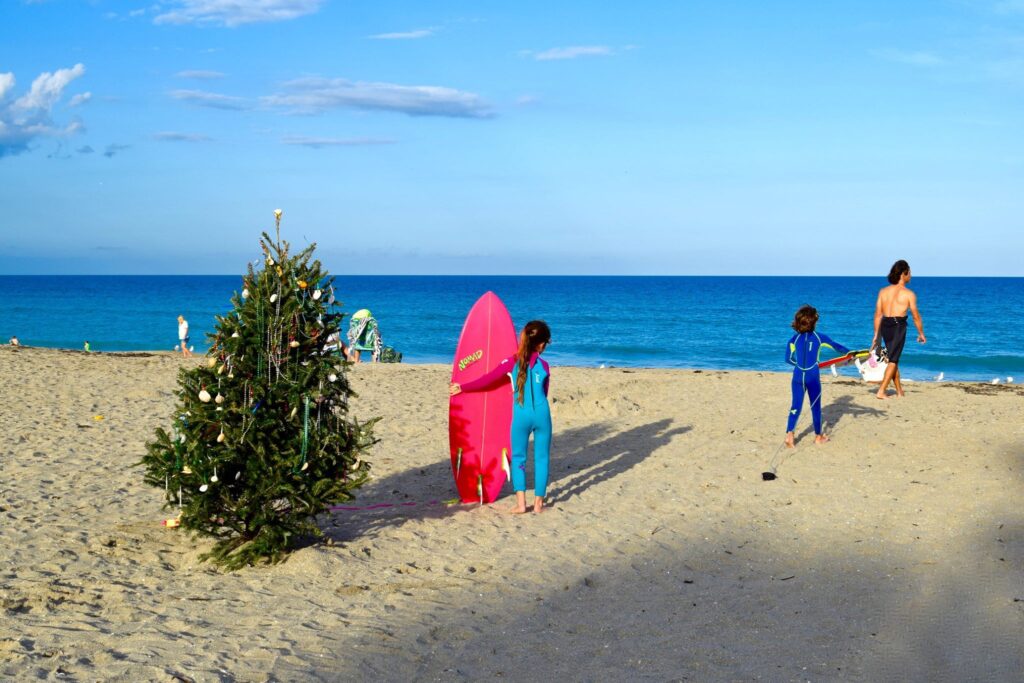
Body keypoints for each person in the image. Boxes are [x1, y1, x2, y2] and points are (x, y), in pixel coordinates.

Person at [450, 320, 553, 513]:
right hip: (542, 415)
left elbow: (488, 379)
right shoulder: (545, 366)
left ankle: (521, 504)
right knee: (542, 459)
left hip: (521, 416)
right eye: (546, 343)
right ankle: (539, 505)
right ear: (540, 344)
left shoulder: (510, 362)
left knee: (519, 457)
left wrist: (462, 387)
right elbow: (544, 392)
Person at [785, 305, 849, 448]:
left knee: (795, 406)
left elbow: (788, 359)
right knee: (815, 407)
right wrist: (851, 353)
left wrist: (800, 365)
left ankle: (790, 435)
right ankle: (818, 437)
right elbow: (837, 347)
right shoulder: (820, 338)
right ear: (814, 321)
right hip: (812, 376)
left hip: (797, 375)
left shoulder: (793, 339)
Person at [871, 260, 926, 399]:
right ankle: (881, 390)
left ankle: (899, 391)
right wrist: (921, 333)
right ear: (903, 274)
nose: (911, 276)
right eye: (909, 273)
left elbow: (878, 314)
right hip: (898, 326)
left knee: (892, 358)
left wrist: (876, 335)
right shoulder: (908, 294)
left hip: (885, 325)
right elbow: (916, 316)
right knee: (893, 360)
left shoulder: (883, 291)